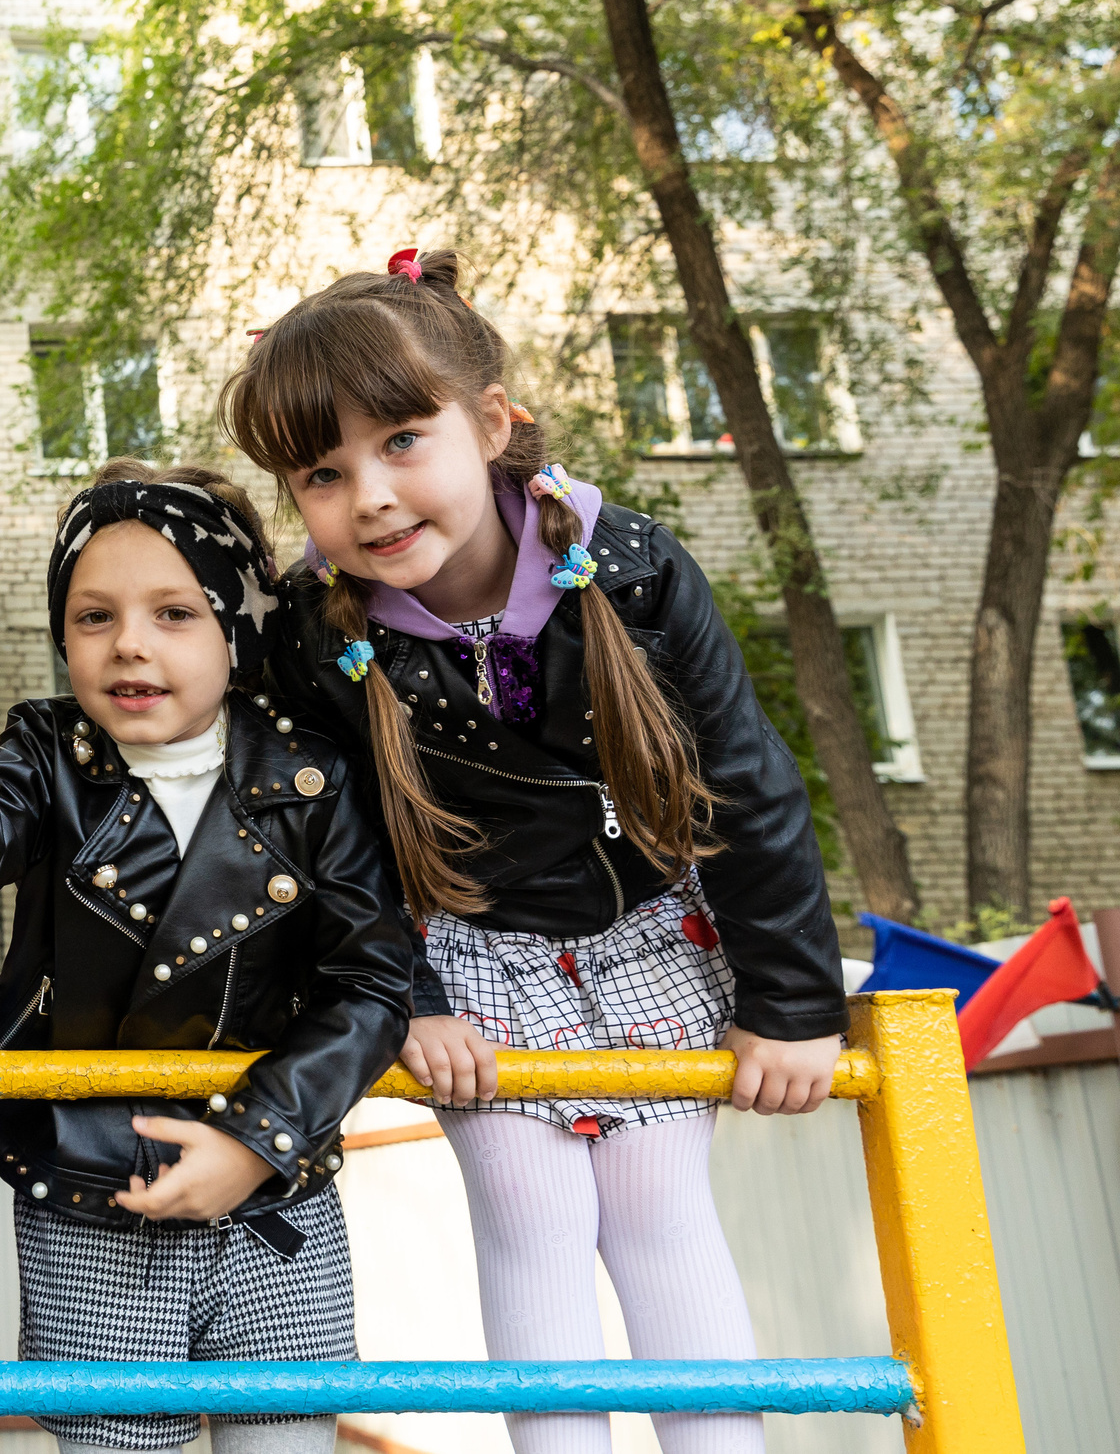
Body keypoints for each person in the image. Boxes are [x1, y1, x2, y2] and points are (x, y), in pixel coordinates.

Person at [224, 249, 849, 1454]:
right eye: (322, 471)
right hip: (464, 959)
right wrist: (406, 1001)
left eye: (402, 440)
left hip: (647, 935)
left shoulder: (632, 569)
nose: (369, 496)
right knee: (526, 1216)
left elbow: (748, 786)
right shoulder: (314, 637)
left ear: (493, 424)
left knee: (661, 1218)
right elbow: (323, 842)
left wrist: (790, 1001)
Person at [0, 467, 416, 1454]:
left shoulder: (311, 773)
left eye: (174, 611)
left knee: (290, 1437)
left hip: (275, 1197)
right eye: (93, 616)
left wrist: (257, 1142)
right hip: (88, 1194)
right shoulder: (45, 749)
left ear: (237, 627)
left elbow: (371, 983)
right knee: (118, 1441)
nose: (130, 642)